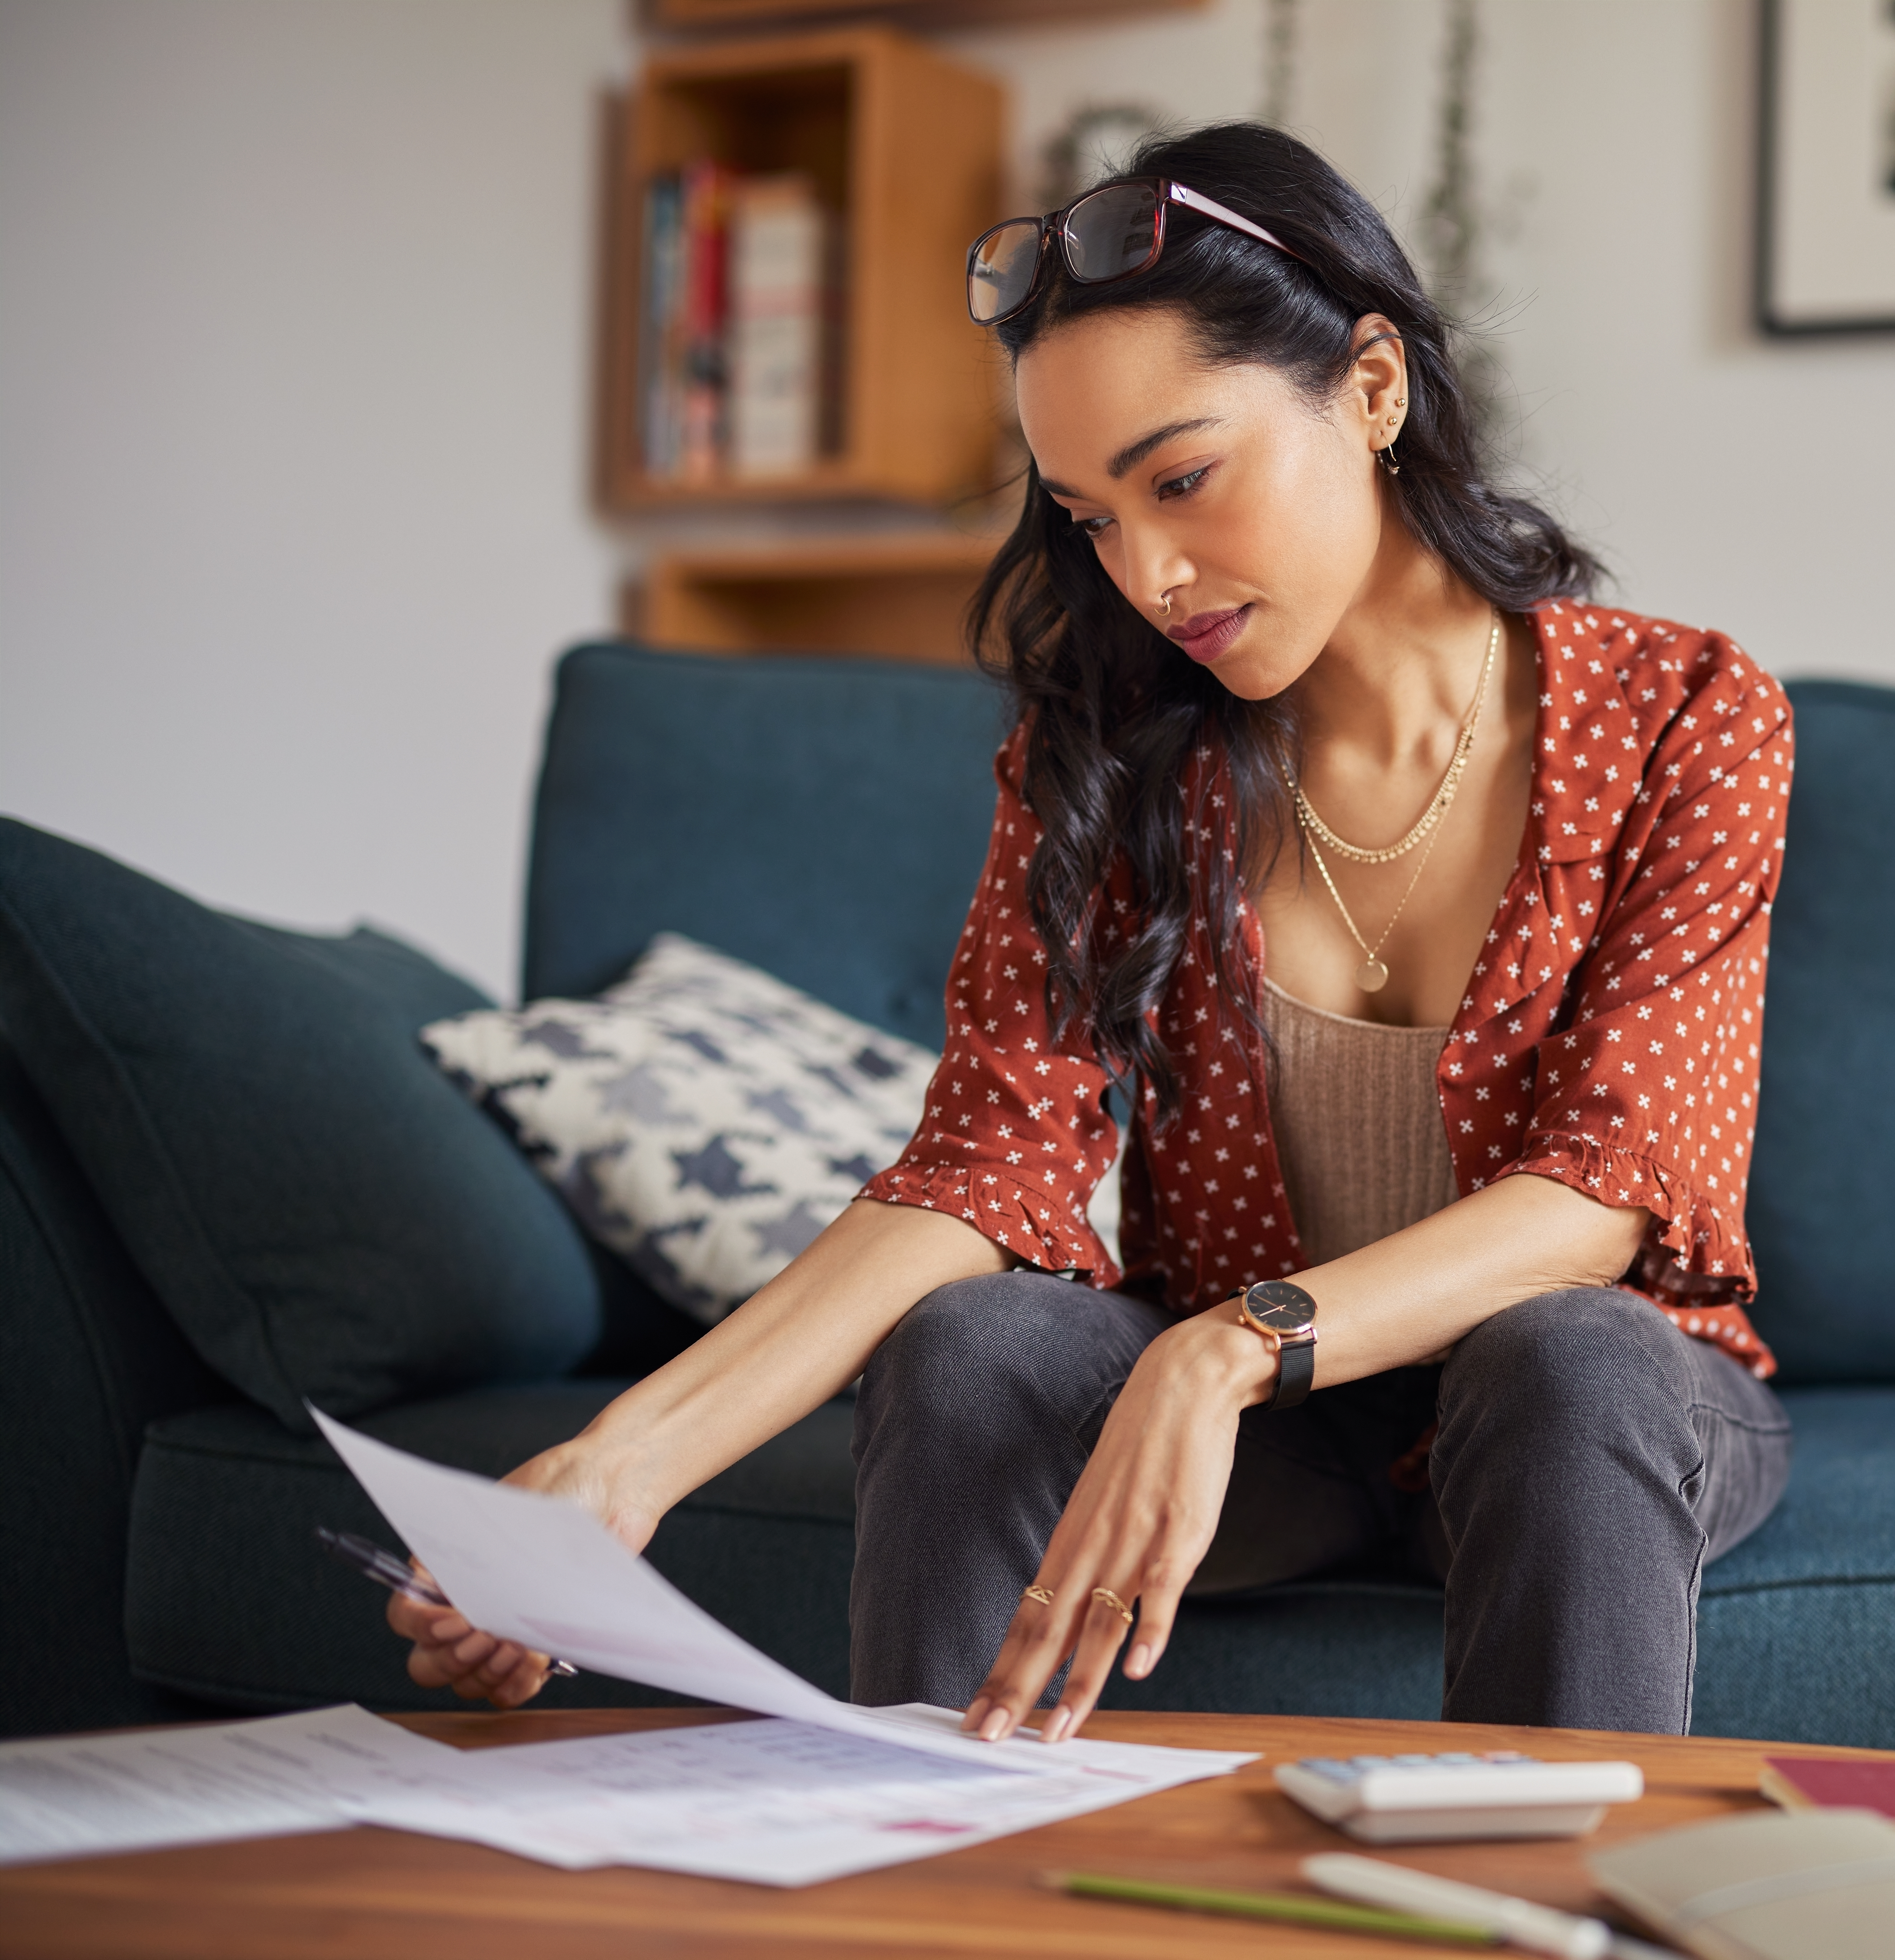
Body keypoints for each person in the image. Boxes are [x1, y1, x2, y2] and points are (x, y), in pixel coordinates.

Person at [391, 122, 1796, 1740]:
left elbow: (1604, 1196)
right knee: (976, 1343)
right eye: (1091, 517)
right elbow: (981, 1166)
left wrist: (1227, 1347)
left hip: (1578, 1405)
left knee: (1570, 1360)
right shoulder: (1109, 747)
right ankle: (922, 1868)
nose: (1151, 573)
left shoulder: (1687, 709)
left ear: (1372, 387)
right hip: (1280, 1447)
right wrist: (615, 1468)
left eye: (1182, 479)